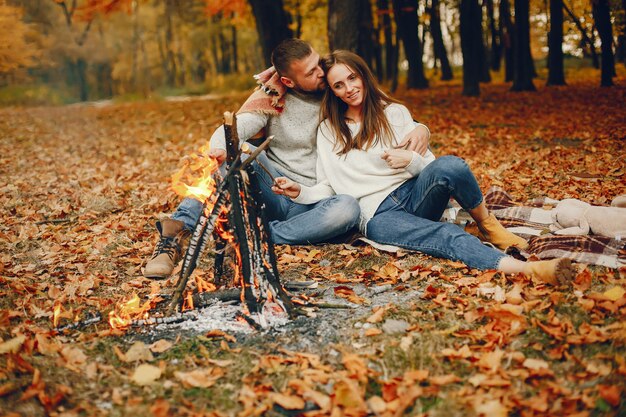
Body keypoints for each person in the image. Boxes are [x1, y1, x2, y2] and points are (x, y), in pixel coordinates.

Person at [272, 50, 576, 285]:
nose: (349, 88)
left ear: (363, 76)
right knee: (445, 236)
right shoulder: (328, 130)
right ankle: (530, 270)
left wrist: (412, 161)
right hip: (379, 216)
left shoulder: (395, 113)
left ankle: (489, 226)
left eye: (353, 78)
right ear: (333, 92)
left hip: (414, 194)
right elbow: (330, 186)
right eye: (339, 85)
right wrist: (300, 192)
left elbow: (432, 169)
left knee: (452, 165)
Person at [144, 39, 430, 279]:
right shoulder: (272, 97)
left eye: (318, 63)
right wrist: (220, 151)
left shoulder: (336, 86)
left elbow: (384, 108)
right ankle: (175, 233)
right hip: (274, 190)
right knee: (235, 152)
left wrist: (421, 127)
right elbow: (233, 128)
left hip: (317, 200)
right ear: (287, 80)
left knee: (347, 208)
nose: (321, 72)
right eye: (311, 71)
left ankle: (260, 234)